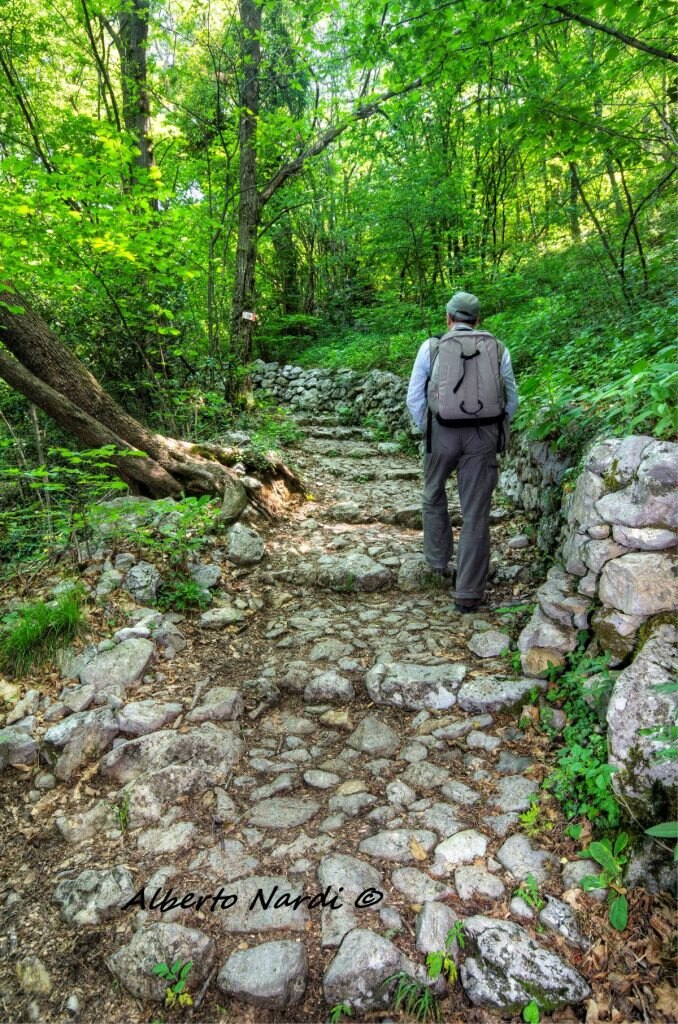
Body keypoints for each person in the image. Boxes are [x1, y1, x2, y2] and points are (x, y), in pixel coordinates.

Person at [406, 291, 519, 612]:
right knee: (475, 513)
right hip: (483, 436)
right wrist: (495, 428)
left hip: (441, 433)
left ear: (449, 318)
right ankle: (468, 593)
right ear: (478, 320)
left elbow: (414, 398)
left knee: (432, 494)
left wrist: (429, 428)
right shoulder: (497, 348)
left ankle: (438, 562)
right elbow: (511, 400)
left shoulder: (431, 347)